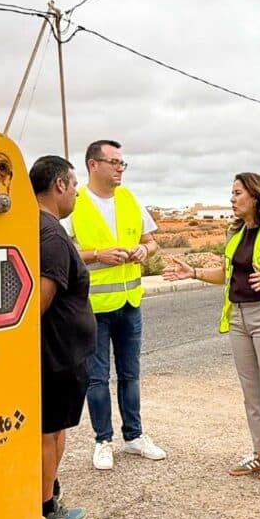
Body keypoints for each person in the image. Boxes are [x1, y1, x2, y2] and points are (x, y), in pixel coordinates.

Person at [163, 173, 260, 481]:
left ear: (255, 197)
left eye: (237, 193)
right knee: (250, 391)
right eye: (231, 194)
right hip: (239, 317)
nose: (232, 199)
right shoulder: (236, 233)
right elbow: (226, 274)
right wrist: (193, 272)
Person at [66, 140, 166, 471]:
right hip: (93, 308)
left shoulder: (129, 199)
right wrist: (97, 255)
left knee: (130, 374)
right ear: (93, 165)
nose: (120, 168)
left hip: (130, 303)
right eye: (114, 162)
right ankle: (102, 440)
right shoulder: (74, 204)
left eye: (122, 163)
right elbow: (59, 252)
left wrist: (144, 251)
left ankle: (134, 436)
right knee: (97, 378)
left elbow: (152, 241)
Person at [31, 155, 95, 519]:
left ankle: (44, 495)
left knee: (50, 430)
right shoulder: (52, 235)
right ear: (58, 185)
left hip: (53, 352)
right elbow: (39, 300)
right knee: (50, 432)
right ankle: (46, 510)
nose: (74, 192)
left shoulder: (37, 227)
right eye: (73, 185)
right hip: (57, 356)